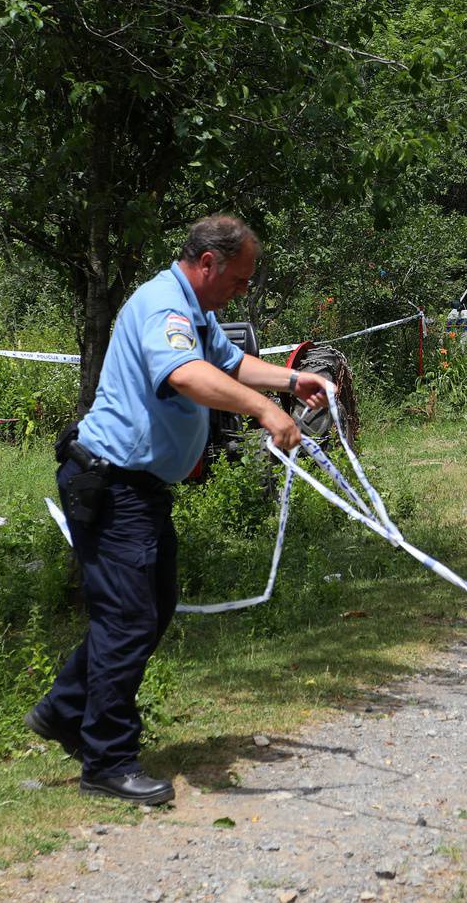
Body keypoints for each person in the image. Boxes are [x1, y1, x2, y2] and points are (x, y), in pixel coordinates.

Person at [27, 216, 328, 805]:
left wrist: (292, 381)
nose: (243, 290)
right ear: (208, 263)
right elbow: (188, 376)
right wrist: (265, 413)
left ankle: (66, 712)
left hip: (137, 488)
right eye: (239, 279)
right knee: (128, 618)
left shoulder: (196, 312)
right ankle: (108, 761)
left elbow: (231, 364)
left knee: (152, 607)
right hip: (111, 485)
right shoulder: (165, 307)